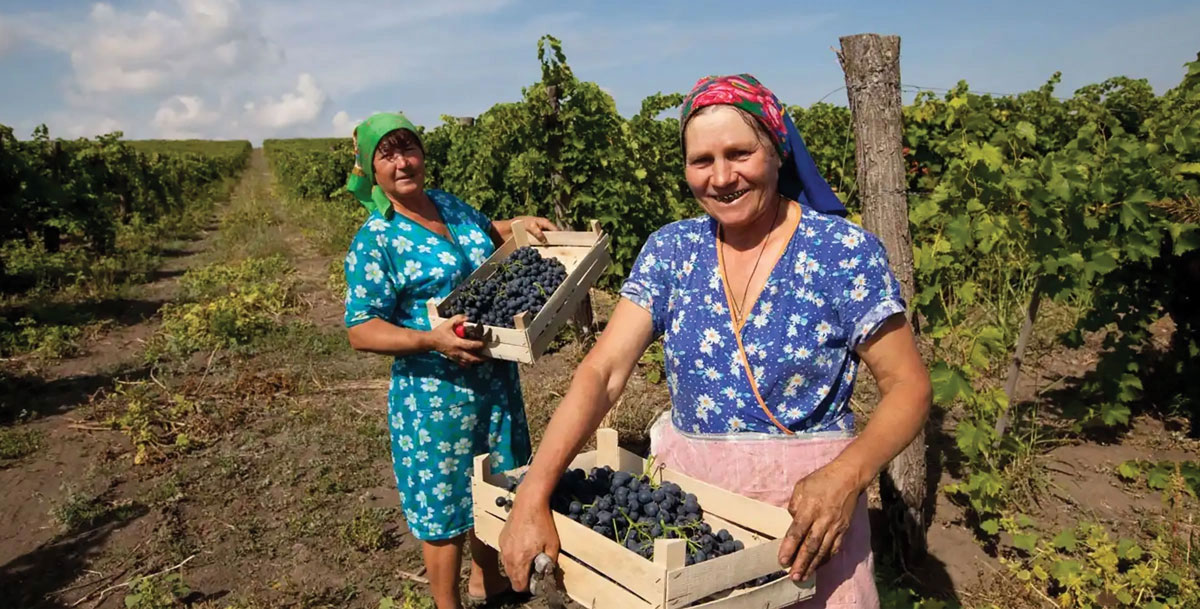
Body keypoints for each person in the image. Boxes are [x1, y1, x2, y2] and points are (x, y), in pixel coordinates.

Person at [498, 75, 931, 608]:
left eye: (739, 153)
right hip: (695, 522)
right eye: (702, 160)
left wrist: (845, 477)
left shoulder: (842, 252)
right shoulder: (672, 251)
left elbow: (908, 386)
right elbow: (603, 371)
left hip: (809, 523)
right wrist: (532, 495)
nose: (722, 177)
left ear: (776, 152)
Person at [341, 112, 557, 609]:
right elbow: (360, 329)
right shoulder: (377, 238)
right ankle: (447, 603)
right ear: (372, 170)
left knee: (495, 488)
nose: (402, 162)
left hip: (493, 377)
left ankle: (490, 585)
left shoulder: (448, 205)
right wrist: (430, 340)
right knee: (443, 509)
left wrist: (517, 225)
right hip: (434, 395)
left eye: (408, 149)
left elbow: (485, 232)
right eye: (387, 154)